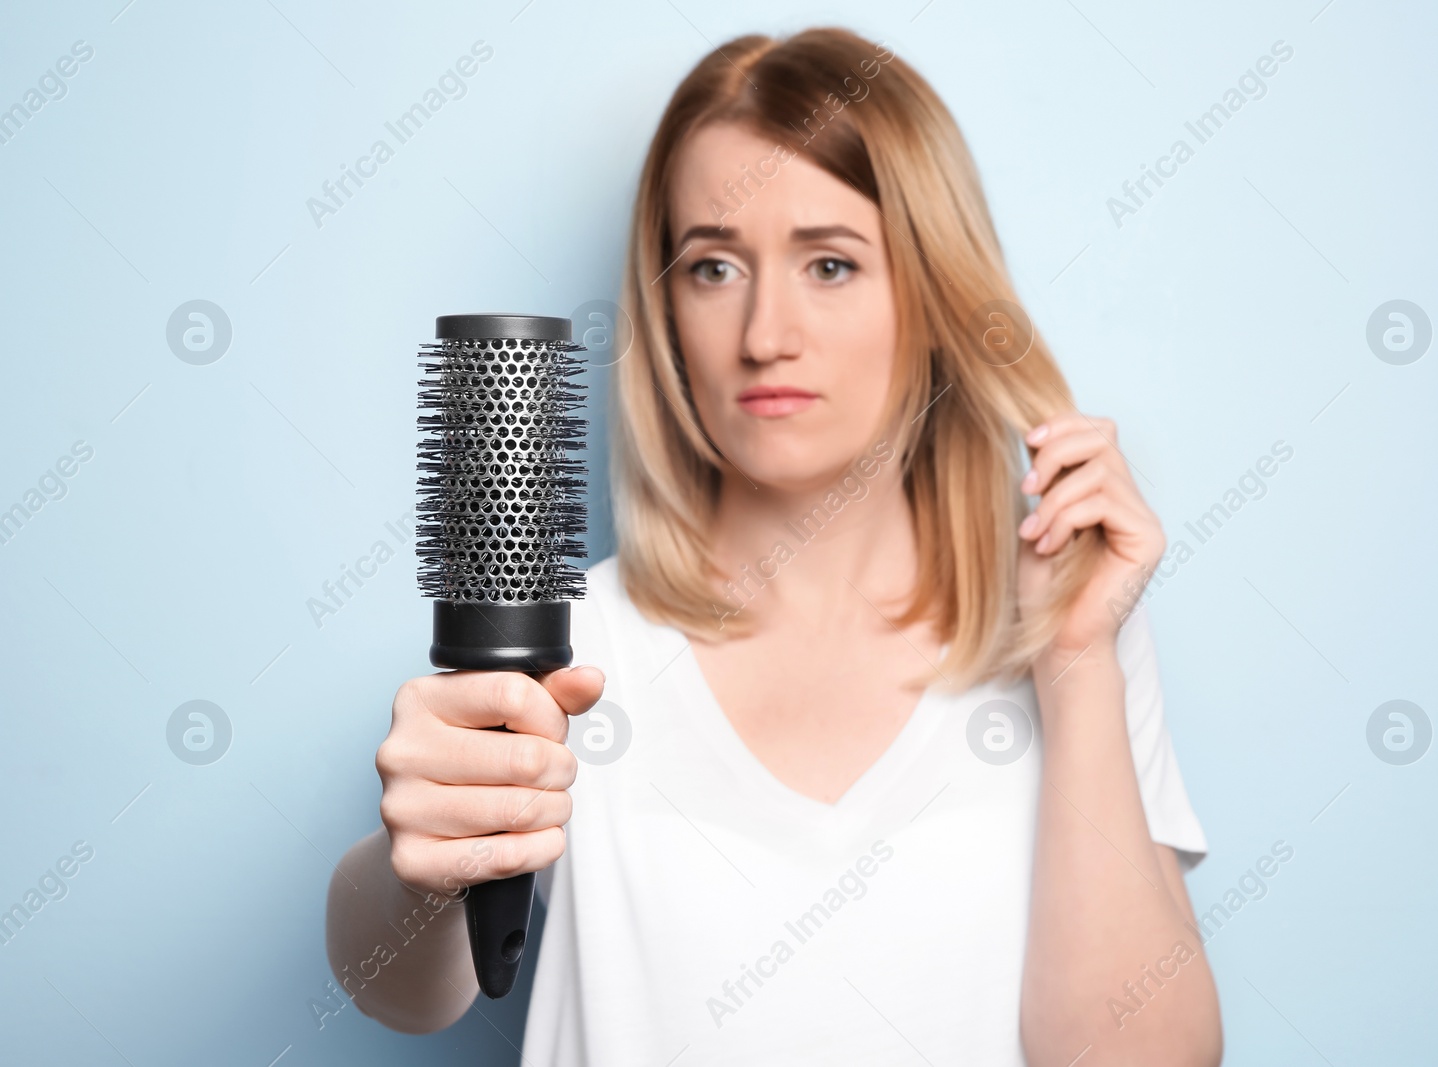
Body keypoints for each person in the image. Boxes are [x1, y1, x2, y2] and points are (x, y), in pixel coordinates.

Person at [327, 26, 1222, 1066]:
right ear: (666, 311)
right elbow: (397, 988)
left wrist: (1074, 666)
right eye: (712, 266)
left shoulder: (1067, 632)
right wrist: (418, 866)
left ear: (932, 295)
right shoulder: (567, 648)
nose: (764, 333)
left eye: (831, 263)